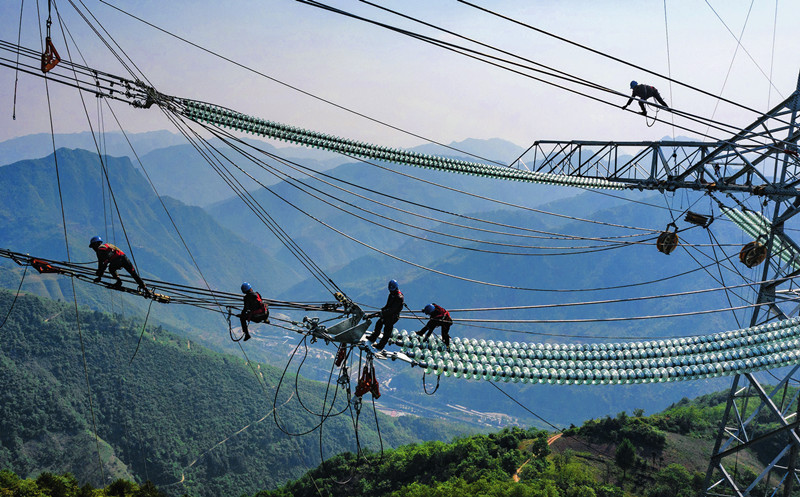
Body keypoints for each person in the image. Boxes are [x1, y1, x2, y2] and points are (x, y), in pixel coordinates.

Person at [367, 279, 403, 351]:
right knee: (379, 323)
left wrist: (382, 313)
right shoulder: (391, 295)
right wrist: (383, 310)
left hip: (393, 316)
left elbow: (392, 310)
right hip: (388, 314)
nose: (391, 291)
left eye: (392, 290)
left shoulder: (399, 298)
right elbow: (388, 305)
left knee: (387, 331)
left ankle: (380, 345)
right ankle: (373, 337)